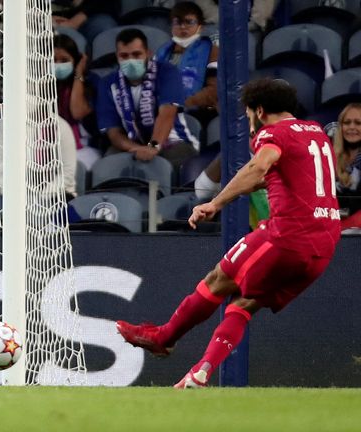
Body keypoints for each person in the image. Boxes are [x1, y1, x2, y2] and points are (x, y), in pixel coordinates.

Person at [116, 78, 341, 388]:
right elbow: (291, 176)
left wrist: (215, 203)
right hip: (325, 243)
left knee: (218, 280)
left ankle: (163, 338)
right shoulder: (316, 132)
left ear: (259, 111)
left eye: (249, 113)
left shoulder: (271, 134)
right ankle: (201, 372)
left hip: (288, 235)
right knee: (243, 302)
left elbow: (259, 166)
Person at [95, 28, 200, 168]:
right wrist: (136, 149)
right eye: (124, 56)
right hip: (133, 144)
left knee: (159, 164)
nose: (131, 60)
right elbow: (113, 132)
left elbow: (166, 115)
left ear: (148, 53)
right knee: (111, 163)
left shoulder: (168, 72)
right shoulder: (107, 83)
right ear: (117, 56)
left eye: (137, 54)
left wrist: (153, 146)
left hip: (173, 142)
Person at [155, 2, 219, 121]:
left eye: (189, 22)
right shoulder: (161, 53)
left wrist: (185, 104)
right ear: (171, 27)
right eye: (178, 22)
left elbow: (214, 90)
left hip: (197, 114)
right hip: (160, 113)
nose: (183, 27)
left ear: (200, 26)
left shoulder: (212, 50)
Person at [53, 33, 102, 170]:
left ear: (76, 60)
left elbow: (77, 111)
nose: (58, 65)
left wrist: (78, 74)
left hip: (83, 149)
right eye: (53, 60)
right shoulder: (45, 85)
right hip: (50, 147)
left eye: (64, 60)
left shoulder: (91, 81)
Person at [333, 103, 361, 230]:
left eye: (358, 123)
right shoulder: (329, 157)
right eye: (347, 122)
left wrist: (345, 227)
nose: (351, 127)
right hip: (333, 228)